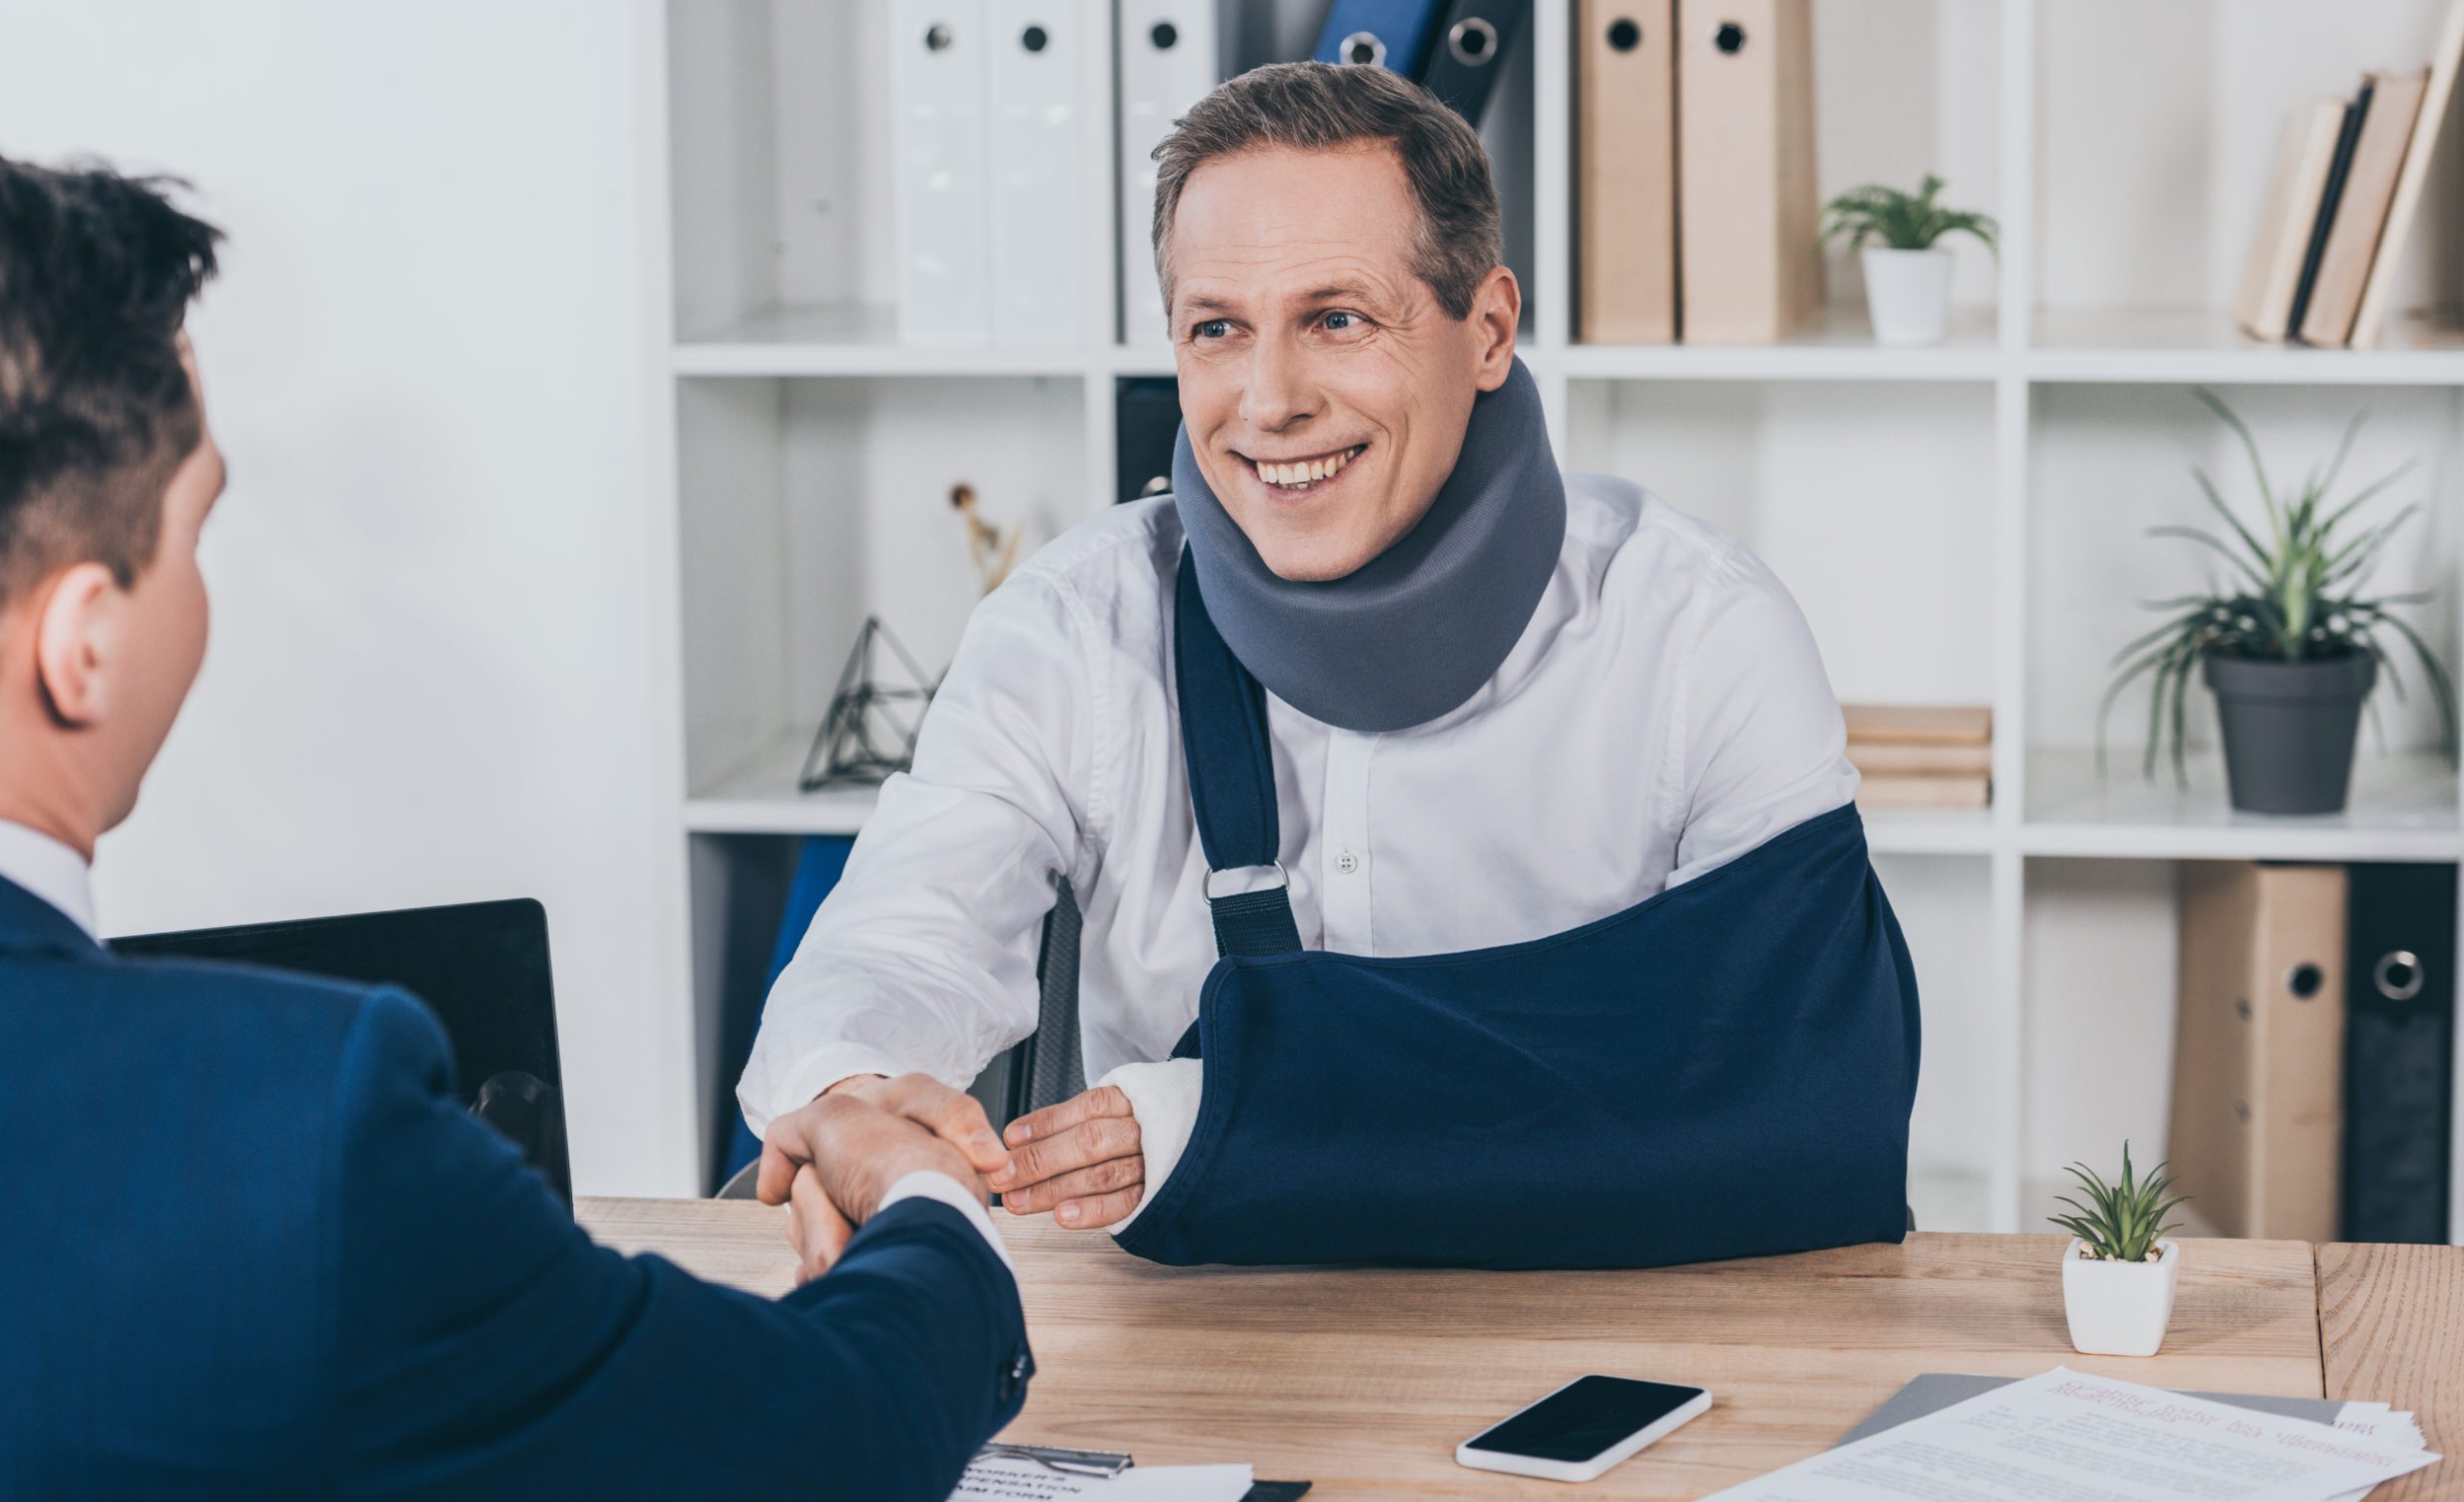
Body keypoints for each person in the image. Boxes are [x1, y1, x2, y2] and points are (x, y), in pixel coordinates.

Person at [0, 141, 1030, 1500]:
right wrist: (929, 1210)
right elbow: (825, 1442)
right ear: (82, 645)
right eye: (193, 532)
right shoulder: (285, 1131)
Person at [739, 61, 1902, 1261]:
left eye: (1336, 319)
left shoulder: (1695, 634)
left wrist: (1229, 1113)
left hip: (1609, 1320)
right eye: (1217, 330)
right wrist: (850, 1085)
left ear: (1487, 328)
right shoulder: (1072, 628)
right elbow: (903, 931)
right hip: (1196, 1339)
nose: (1269, 398)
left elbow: (1807, 1088)